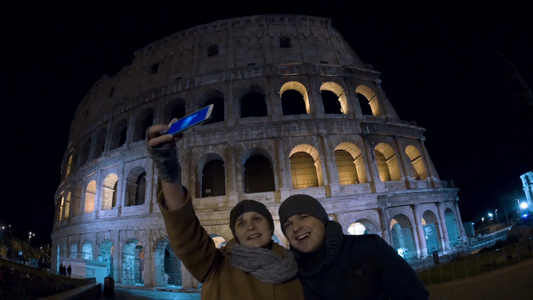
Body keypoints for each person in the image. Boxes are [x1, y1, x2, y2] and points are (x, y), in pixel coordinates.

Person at [146, 122, 304, 300]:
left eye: (257, 219)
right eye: (241, 223)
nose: (250, 227)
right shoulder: (217, 266)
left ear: (270, 225)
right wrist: (169, 172)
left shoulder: (295, 265)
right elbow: (184, 229)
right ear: (234, 233)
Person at [278, 194, 430, 300]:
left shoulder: (369, 248)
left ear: (322, 220)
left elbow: (413, 294)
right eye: (287, 224)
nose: (296, 227)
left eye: (303, 217)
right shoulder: (292, 273)